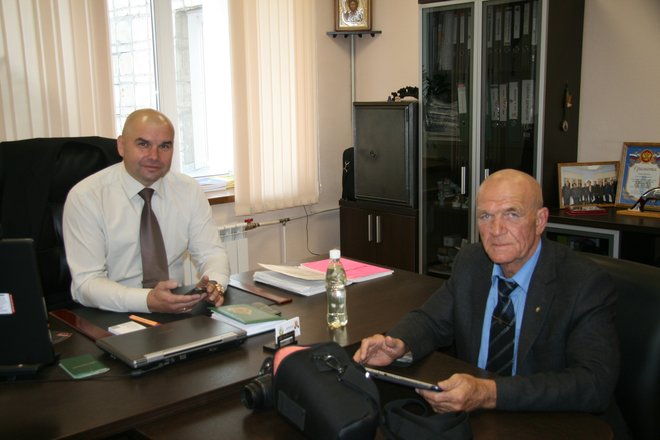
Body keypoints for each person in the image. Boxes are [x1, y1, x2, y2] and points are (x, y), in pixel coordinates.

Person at [354, 170, 620, 423]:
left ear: (540, 220)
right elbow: (432, 320)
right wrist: (398, 343)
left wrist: (489, 392)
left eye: (512, 214)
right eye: (485, 216)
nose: (496, 229)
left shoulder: (582, 283)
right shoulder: (472, 262)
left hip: (550, 421)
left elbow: (594, 383)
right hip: (478, 419)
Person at [63, 108, 229, 314]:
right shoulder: (87, 197)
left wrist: (215, 283)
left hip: (176, 307)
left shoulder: (188, 190)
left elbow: (211, 252)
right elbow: (87, 283)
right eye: (143, 144)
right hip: (112, 312)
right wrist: (147, 300)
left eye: (164, 146)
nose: (154, 156)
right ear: (121, 146)